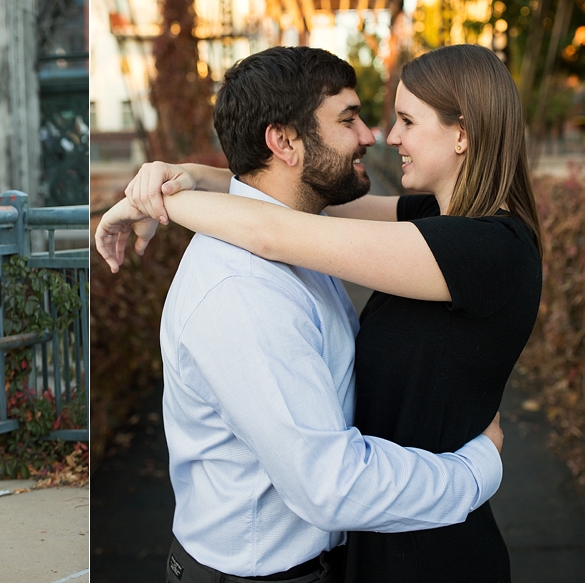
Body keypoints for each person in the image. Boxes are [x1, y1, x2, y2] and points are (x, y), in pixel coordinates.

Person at [95, 46, 522, 583]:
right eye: (350, 118)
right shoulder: (245, 290)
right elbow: (332, 485)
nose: (376, 135)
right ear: (285, 142)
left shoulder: (317, 238)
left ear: (464, 133)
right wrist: (475, 470)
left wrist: (171, 193)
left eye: (404, 121)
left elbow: (273, 228)